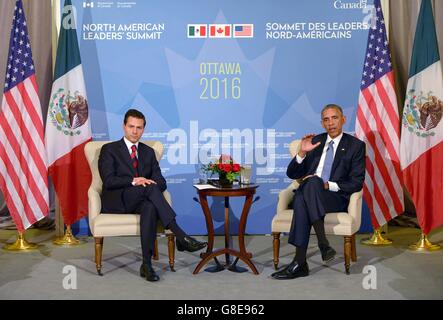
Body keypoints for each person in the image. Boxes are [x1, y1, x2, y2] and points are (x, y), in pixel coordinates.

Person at [98, 109, 207, 282]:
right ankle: (180, 235)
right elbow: (109, 180)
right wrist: (136, 181)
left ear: (144, 129)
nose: (135, 131)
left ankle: (146, 265)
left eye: (139, 128)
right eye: (131, 126)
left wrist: (149, 183)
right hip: (118, 200)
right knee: (148, 189)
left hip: (142, 200)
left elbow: (161, 182)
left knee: (150, 205)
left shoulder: (148, 152)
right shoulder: (109, 149)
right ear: (124, 126)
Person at [271, 104, 365, 280]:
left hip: (335, 197)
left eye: (335, 118)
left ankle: (300, 262)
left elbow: (356, 182)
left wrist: (328, 185)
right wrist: (301, 153)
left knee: (305, 194)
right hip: (310, 193)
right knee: (308, 189)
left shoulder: (355, 146)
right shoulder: (315, 142)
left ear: (343, 119)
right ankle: (321, 246)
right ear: (322, 123)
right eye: (326, 119)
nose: (331, 123)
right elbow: (292, 174)